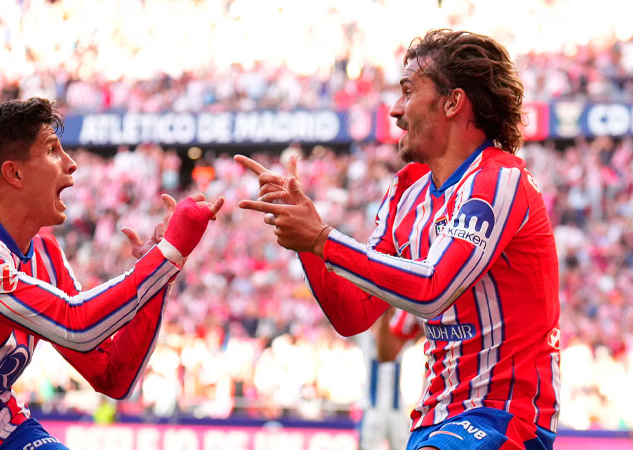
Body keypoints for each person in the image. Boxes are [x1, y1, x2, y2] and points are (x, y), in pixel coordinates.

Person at [237, 29, 560, 450]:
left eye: (408, 91)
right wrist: (306, 243)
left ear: (452, 102)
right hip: (432, 419)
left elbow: (432, 290)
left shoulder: (500, 179)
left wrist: (322, 239)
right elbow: (352, 314)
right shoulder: (407, 193)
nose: (395, 109)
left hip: (505, 418)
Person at [0, 98, 224, 450]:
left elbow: (115, 376)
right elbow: (78, 325)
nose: (71, 163)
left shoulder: (46, 255)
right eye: (53, 150)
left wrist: (160, 276)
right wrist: (168, 254)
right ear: (14, 173)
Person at [356, 308, 421, 450]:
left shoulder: (399, 335)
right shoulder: (365, 335)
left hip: (396, 407)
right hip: (373, 407)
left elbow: (417, 334)